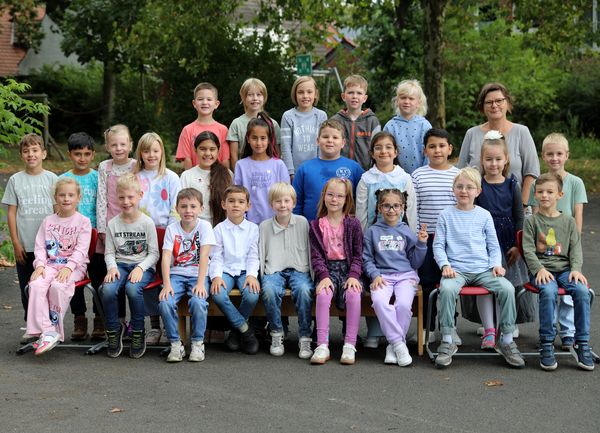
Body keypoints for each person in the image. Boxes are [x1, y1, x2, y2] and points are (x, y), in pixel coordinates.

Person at [458, 82, 540, 332]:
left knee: (512, 271)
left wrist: (521, 205)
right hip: (480, 214)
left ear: (507, 104)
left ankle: (510, 321)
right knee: (483, 268)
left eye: (499, 100)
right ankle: (488, 323)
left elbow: (531, 171)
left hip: (512, 212)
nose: (494, 105)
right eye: (489, 102)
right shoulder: (472, 134)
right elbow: (463, 171)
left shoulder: (521, 132)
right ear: (482, 107)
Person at [433, 167, 524, 369]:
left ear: (478, 191)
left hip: (483, 269)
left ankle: (507, 339)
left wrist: (496, 265)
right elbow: (438, 245)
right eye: (459, 186)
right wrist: (445, 265)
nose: (464, 191)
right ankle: (447, 339)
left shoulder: (484, 215)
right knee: (447, 289)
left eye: (469, 187)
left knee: (507, 288)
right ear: (453, 189)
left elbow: (493, 245)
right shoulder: (446, 215)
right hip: (456, 270)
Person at [522, 173, 593, 371]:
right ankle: (546, 343)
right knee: (549, 291)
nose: (544, 195)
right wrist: (539, 269)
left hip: (565, 270)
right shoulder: (531, 221)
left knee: (582, 291)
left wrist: (576, 269)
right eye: (540, 192)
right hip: (541, 271)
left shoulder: (568, 221)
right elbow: (528, 250)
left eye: (549, 192)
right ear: (535, 195)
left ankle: (582, 343)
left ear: (560, 195)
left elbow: (576, 249)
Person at [355, 131, 416, 348]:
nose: (384, 151)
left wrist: (413, 239)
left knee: (399, 291)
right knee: (376, 284)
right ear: (372, 153)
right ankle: (374, 332)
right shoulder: (366, 179)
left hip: (399, 241)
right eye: (378, 147)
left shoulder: (404, 178)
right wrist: (363, 240)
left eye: (388, 147)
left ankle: (394, 338)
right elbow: (361, 212)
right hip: (375, 239)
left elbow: (411, 212)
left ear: (396, 152)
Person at [527, 132, 587, 350]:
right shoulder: (539, 184)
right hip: (545, 247)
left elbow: (578, 215)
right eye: (550, 154)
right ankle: (549, 332)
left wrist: (573, 247)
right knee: (549, 290)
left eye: (559, 154)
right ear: (543, 156)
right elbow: (535, 216)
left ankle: (569, 332)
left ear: (567, 155)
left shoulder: (576, 183)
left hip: (567, 244)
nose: (555, 158)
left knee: (571, 290)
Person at [473, 131, 528, 350]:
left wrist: (518, 245)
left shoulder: (512, 184)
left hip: (507, 241)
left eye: (498, 159)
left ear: (506, 160)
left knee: (508, 285)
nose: (493, 163)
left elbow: (519, 215)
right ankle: (489, 328)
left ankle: (507, 325)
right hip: (482, 242)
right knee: (485, 284)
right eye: (489, 159)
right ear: (482, 160)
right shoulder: (478, 185)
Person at [26, 178, 92, 355]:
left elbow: (81, 249)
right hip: (50, 264)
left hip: (74, 267)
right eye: (62, 195)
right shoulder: (48, 221)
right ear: (55, 197)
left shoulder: (83, 221)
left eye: (71, 195)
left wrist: (69, 267)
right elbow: (40, 247)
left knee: (57, 286)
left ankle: (52, 331)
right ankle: (47, 331)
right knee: (36, 284)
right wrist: (40, 265)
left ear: (78, 198)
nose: (66, 198)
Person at [362, 188, 428, 366]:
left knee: (404, 305)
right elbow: (366, 259)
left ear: (403, 208)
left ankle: (392, 347)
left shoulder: (406, 231)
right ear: (379, 208)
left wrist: (421, 244)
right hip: (382, 276)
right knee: (379, 302)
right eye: (387, 206)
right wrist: (374, 275)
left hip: (405, 276)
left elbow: (415, 262)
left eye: (396, 206)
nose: (391, 210)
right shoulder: (372, 232)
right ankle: (399, 343)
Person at [2, 134, 57, 340]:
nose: (31, 154)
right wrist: (16, 242)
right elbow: (11, 213)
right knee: (27, 286)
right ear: (21, 155)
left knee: (47, 287)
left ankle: (50, 326)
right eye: (26, 151)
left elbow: (57, 212)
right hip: (25, 245)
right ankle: (32, 325)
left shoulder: (52, 179)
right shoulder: (15, 180)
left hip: (49, 247)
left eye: (35, 150)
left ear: (43, 153)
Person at [101, 174, 159, 359]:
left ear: (140, 195)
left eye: (130, 197)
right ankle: (113, 330)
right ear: (116, 197)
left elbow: (154, 254)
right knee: (107, 290)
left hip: (143, 266)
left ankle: (138, 331)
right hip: (120, 265)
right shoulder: (113, 223)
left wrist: (140, 268)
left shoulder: (147, 222)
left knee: (133, 290)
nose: (126, 202)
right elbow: (109, 253)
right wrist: (112, 268)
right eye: (121, 197)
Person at [411, 128, 459, 343]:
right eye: (432, 146)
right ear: (425, 150)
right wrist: (416, 237)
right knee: (427, 283)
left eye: (441, 146)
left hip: (451, 240)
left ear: (450, 149)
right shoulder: (418, 175)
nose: (437, 150)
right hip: (427, 239)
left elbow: (462, 207)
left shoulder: (458, 175)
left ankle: (450, 327)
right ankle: (426, 328)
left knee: (450, 285)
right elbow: (413, 209)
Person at [308, 178, 363, 365]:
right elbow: (316, 256)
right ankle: (322, 345)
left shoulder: (353, 224)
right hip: (327, 270)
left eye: (340, 196)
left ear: (347, 200)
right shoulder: (316, 225)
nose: (334, 199)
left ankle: (350, 345)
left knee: (354, 294)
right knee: (323, 295)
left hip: (348, 270)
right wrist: (323, 276)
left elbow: (358, 255)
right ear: (323, 196)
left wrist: (354, 276)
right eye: (330, 195)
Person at [134, 132, 181, 345]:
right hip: (142, 235)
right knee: (148, 279)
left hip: (166, 235)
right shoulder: (135, 177)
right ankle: (154, 326)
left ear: (162, 152)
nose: (151, 155)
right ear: (140, 153)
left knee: (167, 278)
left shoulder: (171, 177)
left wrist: (169, 238)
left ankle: (169, 324)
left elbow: (175, 209)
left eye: (155, 150)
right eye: (146, 151)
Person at [158, 188, 215, 362]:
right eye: (183, 206)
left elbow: (204, 256)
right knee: (165, 302)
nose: (188, 210)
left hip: (198, 275)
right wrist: (167, 284)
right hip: (176, 275)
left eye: (193, 206)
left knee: (198, 301)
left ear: (201, 209)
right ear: (177, 208)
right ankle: (176, 344)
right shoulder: (172, 229)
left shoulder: (205, 227)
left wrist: (200, 283)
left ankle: (197, 343)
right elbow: (166, 257)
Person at [259, 183, 314, 358]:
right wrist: (261, 275)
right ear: (271, 204)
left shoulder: (303, 222)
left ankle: (305, 336)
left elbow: (309, 250)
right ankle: (276, 332)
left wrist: (312, 274)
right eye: (278, 201)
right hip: (274, 269)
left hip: (299, 269)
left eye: (286, 201)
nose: (282, 205)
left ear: (294, 203)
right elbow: (261, 253)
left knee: (304, 290)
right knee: (269, 290)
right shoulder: (264, 226)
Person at [60, 132, 103, 341]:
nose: (82, 158)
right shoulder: (63, 180)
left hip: (95, 239)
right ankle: (79, 319)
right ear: (70, 155)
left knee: (97, 278)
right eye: (78, 154)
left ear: (93, 154)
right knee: (71, 279)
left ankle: (99, 319)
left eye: (87, 154)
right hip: (70, 240)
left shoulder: (98, 178)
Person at [96, 124, 137, 337]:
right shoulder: (105, 167)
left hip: (132, 228)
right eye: (114, 145)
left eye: (123, 144)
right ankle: (120, 321)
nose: (119, 148)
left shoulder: (136, 165)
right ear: (107, 147)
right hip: (111, 229)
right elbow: (101, 199)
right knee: (114, 273)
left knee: (133, 276)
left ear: (130, 145)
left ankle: (136, 323)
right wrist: (102, 229)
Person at [209, 185, 260, 354]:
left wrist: (252, 275)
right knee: (218, 294)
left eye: (240, 202)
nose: (236, 205)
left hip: (246, 271)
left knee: (252, 295)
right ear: (224, 204)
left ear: (248, 206)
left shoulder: (253, 229)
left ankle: (235, 332)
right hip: (226, 270)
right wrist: (216, 276)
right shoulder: (218, 229)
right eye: (231, 201)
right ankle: (246, 330)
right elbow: (216, 256)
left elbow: (253, 255)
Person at [292, 119, 363, 222]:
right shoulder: (304, 168)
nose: (330, 140)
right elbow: (296, 202)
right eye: (325, 137)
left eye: (335, 137)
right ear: (317, 141)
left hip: (343, 227)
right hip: (310, 226)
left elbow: (362, 199)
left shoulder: (354, 168)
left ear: (343, 143)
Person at [234, 113, 290, 225]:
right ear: (248, 139)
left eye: (263, 138)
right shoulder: (241, 165)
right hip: (249, 225)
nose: (259, 143)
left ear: (269, 140)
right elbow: (237, 195)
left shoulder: (279, 165)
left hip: (275, 223)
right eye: (254, 138)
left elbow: (286, 196)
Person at [180, 131, 233, 226]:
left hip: (221, 227)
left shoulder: (227, 174)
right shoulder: (187, 176)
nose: (208, 153)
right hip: (194, 227)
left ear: (218, 150)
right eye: (203, 149)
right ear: (195, 150)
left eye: (212, 149)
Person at [330, 74, 381, 170]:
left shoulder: (372, 121)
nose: (354, 96)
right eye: (350, 92)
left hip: (366, 173)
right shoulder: (335, 121)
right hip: (339, 171)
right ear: (343, 96)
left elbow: (378, 149)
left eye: (359, 93)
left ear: (365, 98)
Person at [228, 78, 281, 169]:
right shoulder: (236, 124)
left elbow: (277, 151)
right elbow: (234, 156)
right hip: (244, 171)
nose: (255, 98)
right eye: (250, 95)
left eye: (259, 94)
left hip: (268, 171)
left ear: (264, 97)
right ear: (243, 97)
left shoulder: (272, 123)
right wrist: (237, 174)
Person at [175, 82, 230, 170]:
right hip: (195, 177)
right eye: (200, 99)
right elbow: (187, 159)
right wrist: (191, 178)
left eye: (209, 99)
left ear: (216, 104)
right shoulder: (187, 130)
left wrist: (225, 177)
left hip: (217, 176)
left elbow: (225, 159)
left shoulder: (223, 130)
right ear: (194, 103)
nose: (205, 102)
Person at [281, 76, 328, 177]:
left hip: (316, 170)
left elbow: (322, 145)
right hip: (295, 171)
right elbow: (285, 147)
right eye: (300, 92)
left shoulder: (321, 116)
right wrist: (290, 172)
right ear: (295, 94)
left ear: (315, 94)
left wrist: (320, 167)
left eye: (309, 92)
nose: (305, 96)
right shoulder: (288, 116)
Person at [382, 79, 432, 174]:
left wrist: (424, 174)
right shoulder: (390, 126)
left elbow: (429, 153)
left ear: (418, 103)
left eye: (411, 98)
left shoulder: (424, 125)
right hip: (395, 176)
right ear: (397, 100)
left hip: (421, 175)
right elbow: (385, 151)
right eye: (403, 98)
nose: (406, 101)